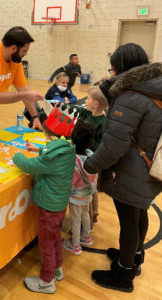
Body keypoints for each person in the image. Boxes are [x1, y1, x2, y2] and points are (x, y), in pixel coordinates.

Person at [84, 43, 162, 292]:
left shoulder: (131, 97)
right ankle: (134, 257)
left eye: (114, 68)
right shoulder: (154, 88)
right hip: (150, 167)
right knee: (139, 214)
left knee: (129, 221)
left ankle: (123, 275)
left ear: (121, 68)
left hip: (133, 170)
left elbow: (114, 146)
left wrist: (91, 164)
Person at [13, 106, 76, 294]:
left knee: (46, 243)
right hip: (58, 204)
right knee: (55, 237)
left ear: (47, 132)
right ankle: (57, 269)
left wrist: (17, 156)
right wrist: (39, 149)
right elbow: (52, 152)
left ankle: (46, 280)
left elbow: (29, 165)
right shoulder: (68, 147)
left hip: (48, 206)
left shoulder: (51, 156)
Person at [58, 86, 108, 227]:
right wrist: (59, 104)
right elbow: (74, 109)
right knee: (87, 193)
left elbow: (99, 146)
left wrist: (84, 149)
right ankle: (89, 218)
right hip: (81, 159)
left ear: (96, 104)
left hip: (90, 163)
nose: (85, 100)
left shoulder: (103, 123)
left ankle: (93, 217)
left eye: (88, 99)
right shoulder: (87, 113)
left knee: (92, 194)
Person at [63, 121, 97, 255]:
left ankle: (75, 245)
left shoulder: (75, 160)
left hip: (76, 197)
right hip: (88, 194)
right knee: (85, 215)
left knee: (75, 220)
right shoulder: (92, 155)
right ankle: (86, 237)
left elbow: (71, 181)